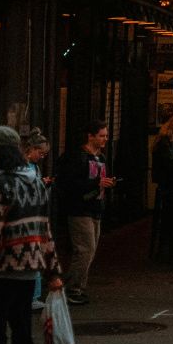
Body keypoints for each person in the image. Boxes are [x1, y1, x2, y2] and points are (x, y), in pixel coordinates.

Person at [0, 126, 64, 344]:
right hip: (28, 272)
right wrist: (53, 271)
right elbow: (44, 230)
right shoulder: (36, 184)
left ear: (1, 154)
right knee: (22, 330)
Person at [55, 119, 115, 305]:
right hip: (79, 208)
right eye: (101, 136)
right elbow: (70, 183)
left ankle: (77, 286)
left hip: (95, 206)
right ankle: (72, 287)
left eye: (106, 136)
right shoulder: (77, 157)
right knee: (85, 249)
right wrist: (97, 184)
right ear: (90, 136)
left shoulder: (101, 158)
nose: (105, 139)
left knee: (90, 248)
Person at [21, 129, 51, 313]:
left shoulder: (33, 167)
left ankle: (33, 295)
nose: (41, 157)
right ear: (30, 149)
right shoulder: (25, 168)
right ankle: (31, 296)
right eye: (40, 153)